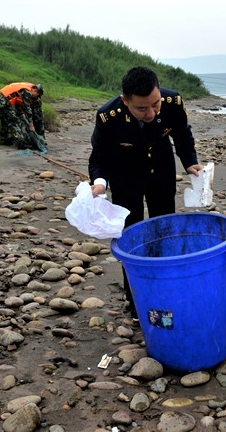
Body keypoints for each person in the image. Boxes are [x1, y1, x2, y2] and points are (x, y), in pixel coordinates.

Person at [88, 66, 203, 319]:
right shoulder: (108, 116)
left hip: (161, 167)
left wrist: (189, 161)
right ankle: (136, 299)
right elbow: (99, 157)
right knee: (132, 235)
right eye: (142, 108)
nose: (151, 113)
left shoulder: (172, 102)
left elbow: (182, 134)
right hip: (125, 173)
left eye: (155, 104)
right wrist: (99, 182)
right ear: (125, 100)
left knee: (165, 228)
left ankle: (167, 288)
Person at [0, 82, 46, 151]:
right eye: (37, 96)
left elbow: (16, 100)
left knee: (5, 121)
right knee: (15, 121)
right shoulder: (27, 92)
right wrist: (31, 125)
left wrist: (21, 113)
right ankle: (21, 143)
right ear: (36, 91)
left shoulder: (27, 87)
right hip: (4, 101)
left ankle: (5, 139)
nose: (36, 98)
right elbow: (28, 109)